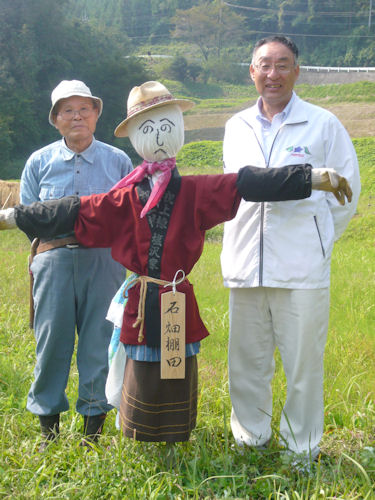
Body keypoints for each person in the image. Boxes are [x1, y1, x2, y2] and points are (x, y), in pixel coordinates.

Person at [0, 81, 351, 446]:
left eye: (166, 126)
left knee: (171, 364)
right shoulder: (121, 198)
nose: (159, 136)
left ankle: (167, 431)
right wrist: (11, 216)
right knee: (121, 360)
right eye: (149, 129)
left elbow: (245, 182)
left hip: (173, 294)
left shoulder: (193, 189)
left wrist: (307, 177)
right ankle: (118, 428)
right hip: (131, 291)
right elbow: (73, 209)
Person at [220, 36, 361, 463]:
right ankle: (250, 438)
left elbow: (346, 194)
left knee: (303, 366)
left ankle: (301, 449)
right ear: (252, 71)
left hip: (302, 268)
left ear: (297, 71)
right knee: (246, 363)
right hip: (246, 264)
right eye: (264, 65)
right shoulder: (236, 126)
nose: (273, 74)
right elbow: (233, 189)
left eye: (283, 65)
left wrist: (316, 239)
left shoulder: (323, 124)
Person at [18, 80, 132, 449]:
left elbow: (129, 216)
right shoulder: (39, 162)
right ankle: (48, 432)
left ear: (97, 113)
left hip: (105, 261)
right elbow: (29, 218)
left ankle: (92, 434)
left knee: (99, 342)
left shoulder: (118, 161)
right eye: (67, 110)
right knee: (51, 343)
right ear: (56, 119)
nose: (77, 116)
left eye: (84, 108)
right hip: (53, 260)